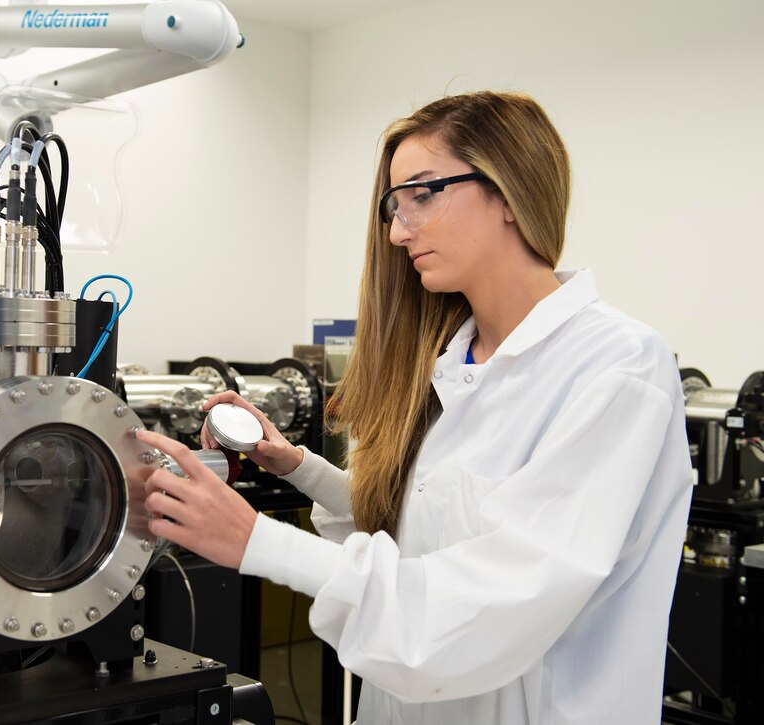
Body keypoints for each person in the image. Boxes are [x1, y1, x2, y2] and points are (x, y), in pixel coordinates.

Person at [135, 91, 692, 724]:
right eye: (394, 207)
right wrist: (298, 466)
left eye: (422, 194)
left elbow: (485, 605)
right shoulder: (456, 363)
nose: (399, 231)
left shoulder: (617, 366)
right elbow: (424, 526)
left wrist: (256, 540)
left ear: (507, 191)